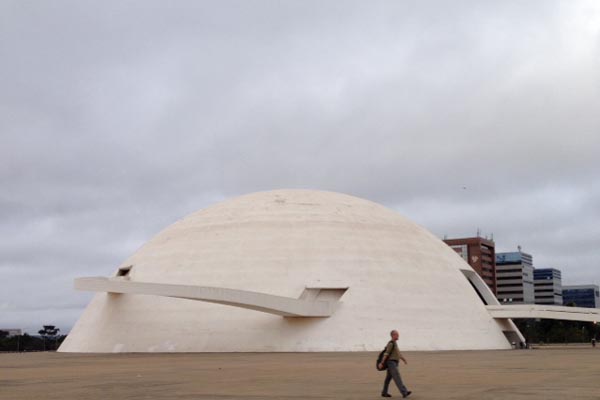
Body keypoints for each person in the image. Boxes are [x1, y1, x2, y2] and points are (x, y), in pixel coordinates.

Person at [378, 330, 412, 398]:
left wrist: (403, 359)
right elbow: (386, 353)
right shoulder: (391, 344)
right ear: (393, 335)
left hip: (394, 363)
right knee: (397, 377)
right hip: (391, 363)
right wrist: (381, 363)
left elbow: (398, 353)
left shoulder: (395, 343)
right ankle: (404, 392)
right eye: (397, 335)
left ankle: (384, 392)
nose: (398, 336)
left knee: (388, 379)